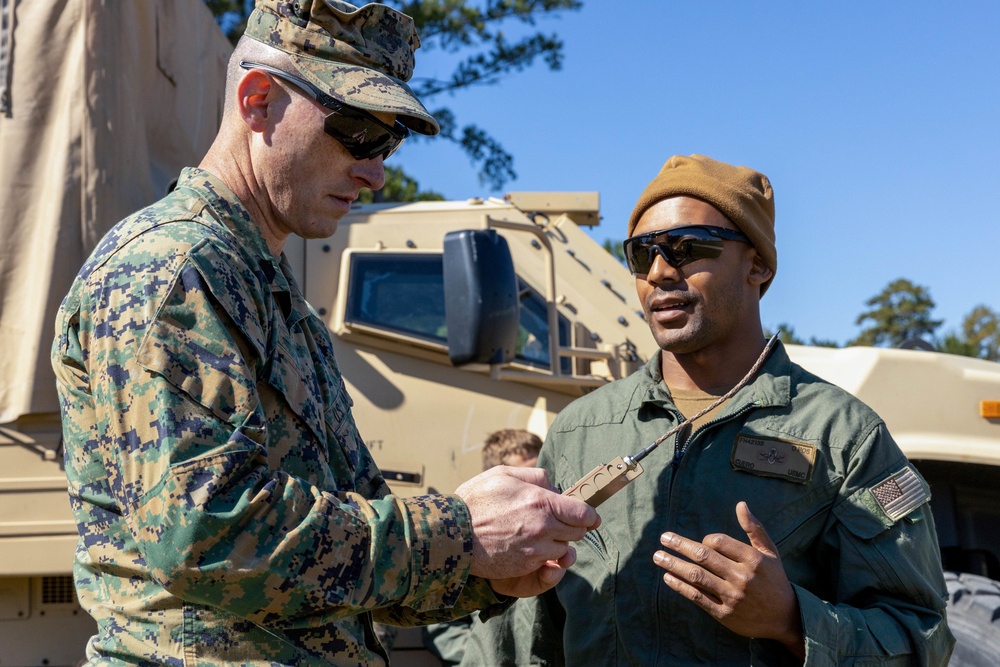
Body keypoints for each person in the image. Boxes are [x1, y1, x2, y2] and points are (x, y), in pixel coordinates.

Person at [49, 2, 599, 665]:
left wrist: (481, 569)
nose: (376, 171)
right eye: (357, 131)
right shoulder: (174, 268)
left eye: (389, 141)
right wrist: (457, 532)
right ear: (257, 100)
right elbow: (204, 538)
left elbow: (349, 543)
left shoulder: (272, 293)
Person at [460, 154, 954, 665]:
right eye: (640, 253)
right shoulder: (582, 429)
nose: (658, 272)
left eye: (687, 247)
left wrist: (790, 620)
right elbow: (520, 635)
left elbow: (923, 638)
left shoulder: (843, 436)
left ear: (757, 264)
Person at [423, 429, 545, 665]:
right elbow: (442, 632)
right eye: (525, 476)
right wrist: (488, 657)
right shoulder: (469, 535)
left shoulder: (555, 536)